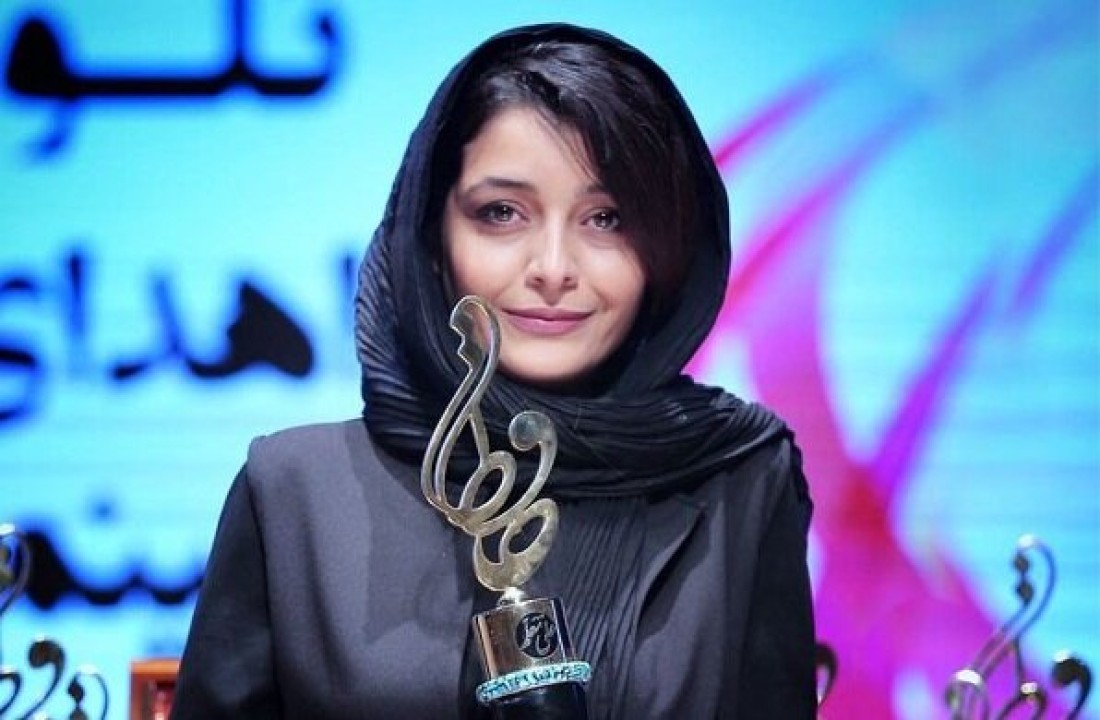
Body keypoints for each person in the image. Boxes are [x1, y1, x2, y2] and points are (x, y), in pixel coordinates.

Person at [171, 22, 816, 719]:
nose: (553, 269)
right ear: (431, 235)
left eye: (607, 218)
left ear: (669, 250)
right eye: (502, 213)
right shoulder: (294, 491)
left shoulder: (744, 480)